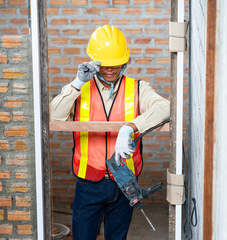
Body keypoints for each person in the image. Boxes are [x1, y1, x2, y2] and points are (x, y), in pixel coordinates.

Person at [50, 25, 170, 240]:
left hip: (125, 182)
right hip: (88, 183)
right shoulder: (80, 89)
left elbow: (166, 107)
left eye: (115, 64)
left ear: (124, 61)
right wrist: (77, 83)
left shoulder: (137, 88)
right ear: (94, 61)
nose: (110, 70)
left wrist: (130, 127)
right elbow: (55, 116)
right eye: (104, 65)